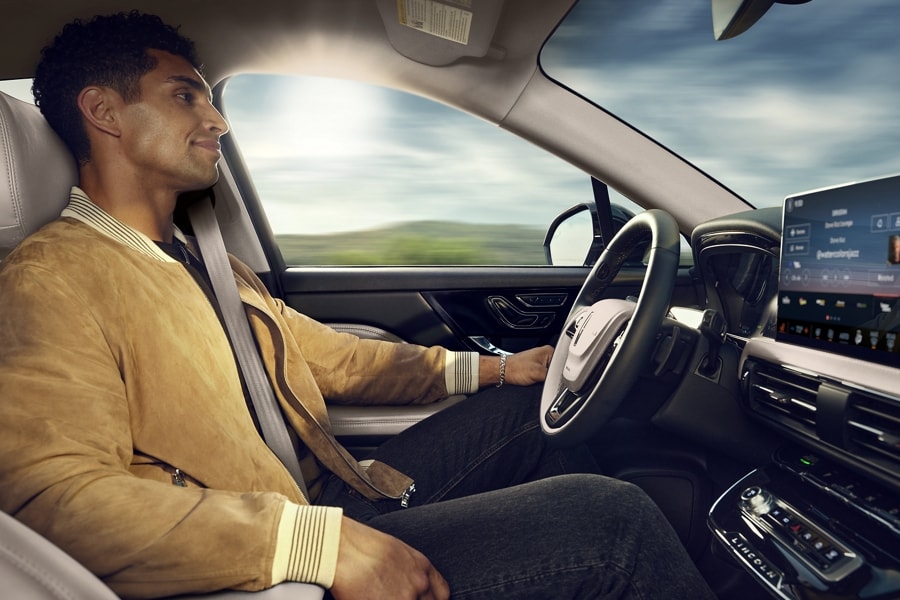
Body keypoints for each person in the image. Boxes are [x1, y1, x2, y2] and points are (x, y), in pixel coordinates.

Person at [0, 11, 715, 600]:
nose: (218, 120)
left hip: (328, 499)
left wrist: (499, 371)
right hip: (267, 569)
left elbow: (335, 358)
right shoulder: (52, 278)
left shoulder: (212, 267)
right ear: (103, 112)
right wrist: (311, 542)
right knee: (609, 519)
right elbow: (54, 502)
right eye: (186, 95)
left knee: (532, 410)